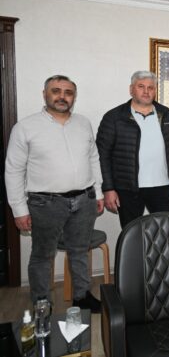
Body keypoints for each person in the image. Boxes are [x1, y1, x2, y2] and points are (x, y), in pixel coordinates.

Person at [5, 75, 104, 311]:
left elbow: (94, 158)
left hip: (85, 199)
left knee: (79, 251)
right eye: (56, 91)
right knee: (43, 255)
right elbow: (13, 170)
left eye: (68, 92)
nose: (62, 96)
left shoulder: (83, 123)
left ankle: (82, 296)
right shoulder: (25, 127)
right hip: (45, 204)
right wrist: (19, 209)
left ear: (74, 97)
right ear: (45, 94)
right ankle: (42, 302)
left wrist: (98, 192)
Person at [96, 71, 169, 228]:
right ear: (131, 89)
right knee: (132, 233)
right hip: (127, 188)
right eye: (141, 86)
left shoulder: (168, 115)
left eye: (151, 87)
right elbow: (102, 155)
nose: (146, 91)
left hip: (162, 186)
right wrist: (108, 188)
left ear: (155, 91)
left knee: (167, 231)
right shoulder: (114, 117)